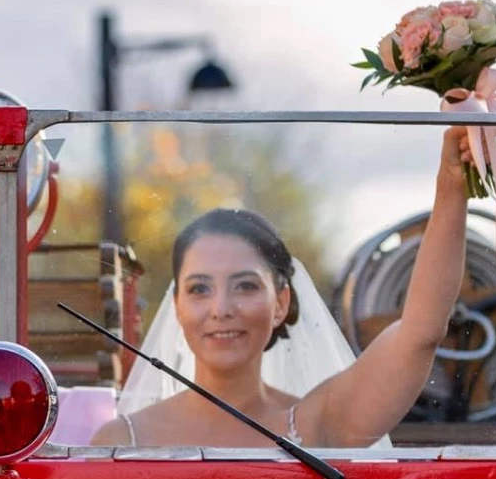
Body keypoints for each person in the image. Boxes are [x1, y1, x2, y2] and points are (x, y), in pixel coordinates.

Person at [92, 125, 476, 450]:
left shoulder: (319, 425)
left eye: (244, 286)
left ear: (280, 302)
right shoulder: (120, 440)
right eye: (199, 289)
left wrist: (452, 184)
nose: (221, 308)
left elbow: (420, 331)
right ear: (176, 306)